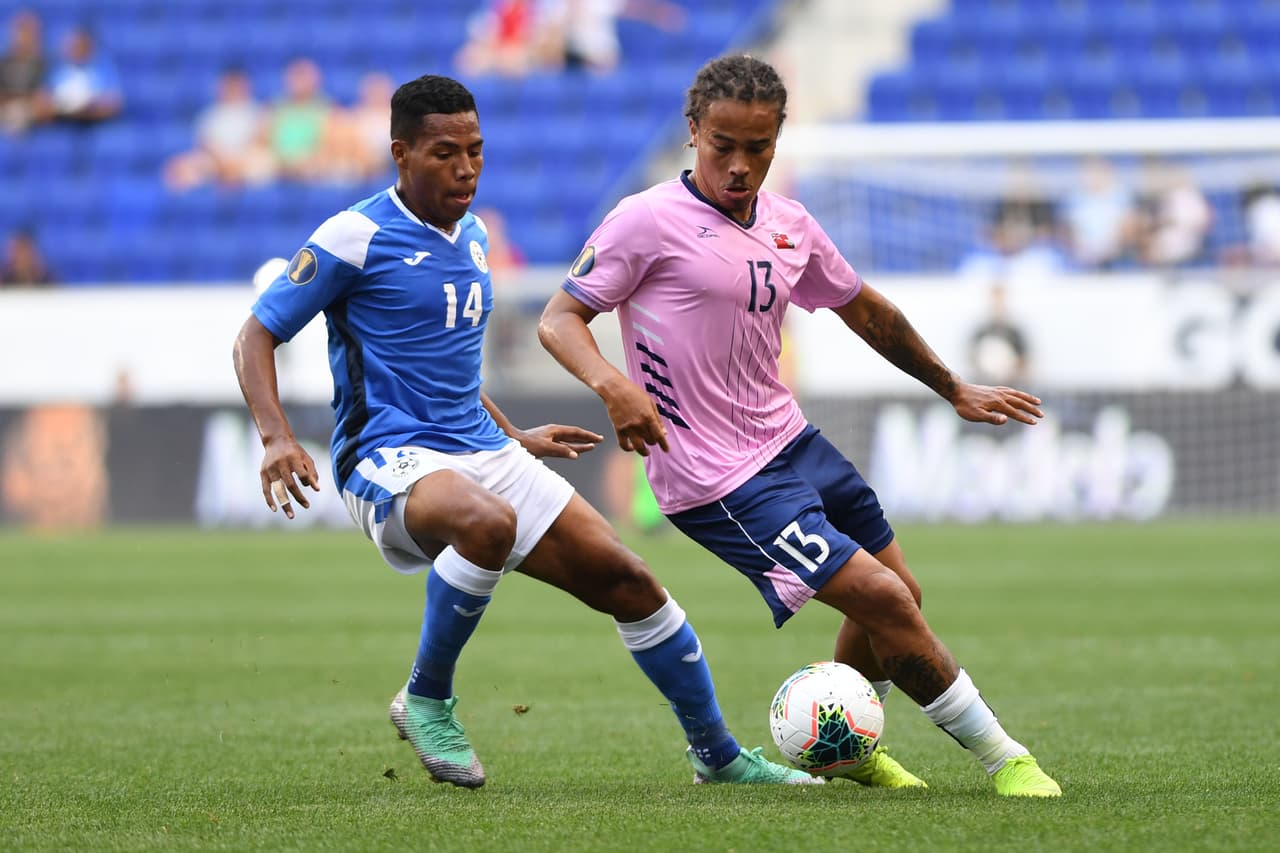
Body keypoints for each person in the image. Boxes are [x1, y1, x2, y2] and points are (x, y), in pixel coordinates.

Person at [232, 73, 818, 789]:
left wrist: (511, 436)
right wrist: (275, 437)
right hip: (386, 458)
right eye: (446, 153)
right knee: (486, 523)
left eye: (476, 151)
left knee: (631, 582)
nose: (466, 168)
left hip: (479, 447)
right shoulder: (354, 236)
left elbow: (446, 369)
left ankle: (718, 756)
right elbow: (255, 334)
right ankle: (426, 696)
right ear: (401, 153)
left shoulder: (474, 234)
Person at [538, 54, 1062, 797]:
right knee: (878, 596)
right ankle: (1007, 757)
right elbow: (560, 319)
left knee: (900, 592)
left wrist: (953, 387)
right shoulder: (644, 220)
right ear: (693, 132)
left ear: (778, 139)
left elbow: (867, 311)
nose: (740, 165)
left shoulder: (790, 224)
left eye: (759, 147)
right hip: (715, 476)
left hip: (789, 440)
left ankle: (844, 747)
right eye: (724, 145)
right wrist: (611, 383)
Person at [163, 66, 274, 191]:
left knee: (264, 164)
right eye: (229, 86)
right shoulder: (211, 114)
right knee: (181, 168)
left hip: (247, 160)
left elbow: (261, 139)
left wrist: (236, 163)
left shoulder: (257, 111)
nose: (233, 90)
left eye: (236, 85)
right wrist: (223, 162)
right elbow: (206, 143)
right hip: (216, 161)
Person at [35, 24, 122, 124]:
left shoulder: (102, 72)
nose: (76, 49)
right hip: (62, 123)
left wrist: (86, 110)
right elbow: (42, 100)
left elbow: (113, 104)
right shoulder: (58, 72)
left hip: (93, 125)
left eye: (81, 45)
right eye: (73, 45)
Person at [0, 9, 47, 132]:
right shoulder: (4, 62)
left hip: (32, 111)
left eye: (29, 32)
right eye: (21, 32)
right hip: (6, 109)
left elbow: (44, 95)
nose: (24, 37)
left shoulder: (44, 63)